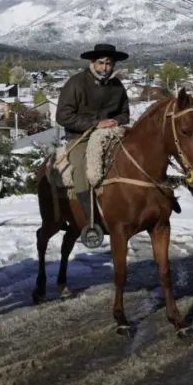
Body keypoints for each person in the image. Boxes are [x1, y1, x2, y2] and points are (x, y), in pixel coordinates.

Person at [55, 43, 131, 246]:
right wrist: (96, 123)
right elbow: (62, 116)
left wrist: (115, 121)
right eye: (101, 63)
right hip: (81, 136)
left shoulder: (117, 86)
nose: (105, 68)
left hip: (111, 134)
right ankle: (91, 224)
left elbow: (125, 113)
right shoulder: (76, 83)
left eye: (108, 63)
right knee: (82, 169)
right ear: (92, 62)